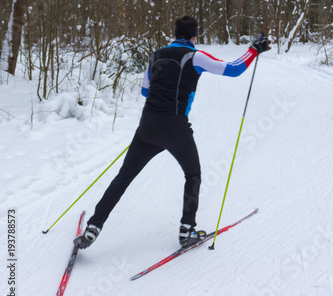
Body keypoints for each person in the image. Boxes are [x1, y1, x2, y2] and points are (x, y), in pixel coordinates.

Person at [74, 16, 270, 249]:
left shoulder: (156, 55)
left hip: (147, 126)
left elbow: (146, 91)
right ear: (194, 37)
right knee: (193, 175)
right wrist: (254, 50)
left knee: (123, 177)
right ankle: (186, 231)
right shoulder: (196, 56)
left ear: (175, 34)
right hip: (176, 127)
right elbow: (234, 69)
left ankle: (93, 228)